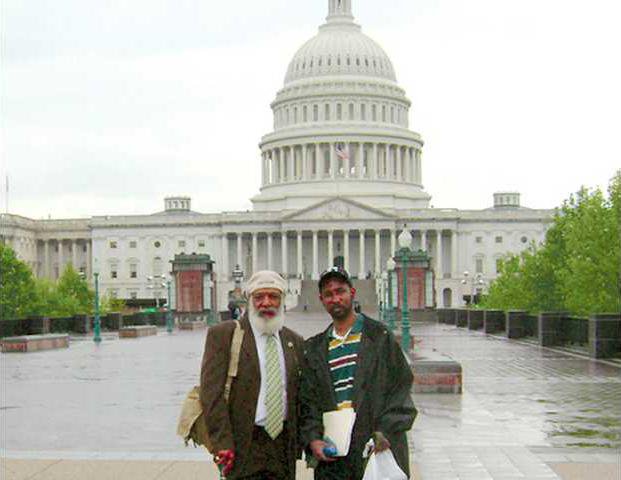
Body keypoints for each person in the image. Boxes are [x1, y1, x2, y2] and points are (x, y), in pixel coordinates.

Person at [300, 267, 417, 479]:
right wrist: (313, 438)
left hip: (373, 447)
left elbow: (400, 387)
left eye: (340, 291)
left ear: (352, 293)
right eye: (329, 294)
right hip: (333, 453)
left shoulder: (380, 337)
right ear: (321, 299)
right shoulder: (315, 348)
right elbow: (308, 401)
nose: (336, 298)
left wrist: (385, 430)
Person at [200, 271, 305, 479]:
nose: (266, 303)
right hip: (244, 445)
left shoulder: (294, 341)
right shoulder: (225, 335)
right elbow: (211, 395)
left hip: (282, 446)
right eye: (259, 297)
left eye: (273, 296)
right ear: (249, 300)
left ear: (282, 300)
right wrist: (222, 443)